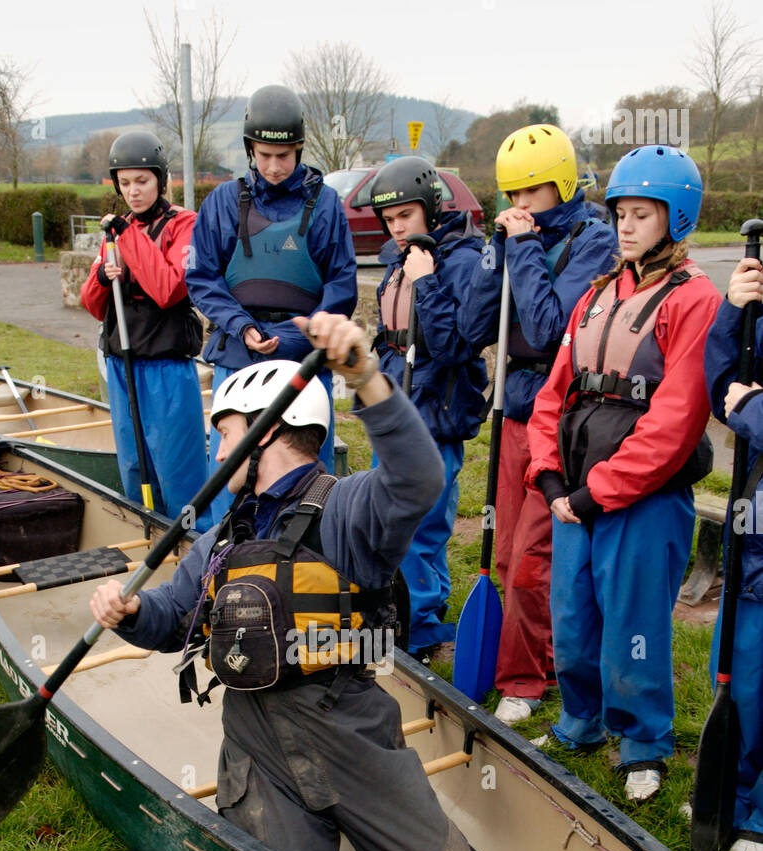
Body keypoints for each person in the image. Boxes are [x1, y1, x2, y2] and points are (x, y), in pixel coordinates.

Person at [89, 312, 490, 851]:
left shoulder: (349, 507)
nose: (219, 454)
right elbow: (172, 620)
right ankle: (297, 825)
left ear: (268, 432)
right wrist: (133, 609)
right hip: (257, 735)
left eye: (226, 436)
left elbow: (418, 480)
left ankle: (369, 827)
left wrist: (366, 376)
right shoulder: (224, 534)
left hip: (347, 727)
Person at [525, 145, 722, 801]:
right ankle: (581, 721)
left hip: (642, 501)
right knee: (574, 622)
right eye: (621, 214)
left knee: (633, 629)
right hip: (577, 496)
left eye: (644, 214)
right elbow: (554, 392)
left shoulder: (692, 300)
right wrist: (551, 479)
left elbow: (675, 419)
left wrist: (596, 493)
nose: (628, 226)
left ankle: (642, 742)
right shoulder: (597, 294)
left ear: (677, 218)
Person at [473, 124, 618, 724]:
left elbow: (549, 324)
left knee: (534, 558)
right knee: (508, 556)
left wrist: (525, 250)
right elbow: (481, 325)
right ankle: (551, 653)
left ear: (561, 184)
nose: (519, 207)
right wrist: (495, 257)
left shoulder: (594, 239)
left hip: (559, 414)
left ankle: (524, 682)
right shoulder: (510, 237)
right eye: (511, 195)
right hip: (512, 405)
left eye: (531, 192)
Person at [185, 84, 357, 516]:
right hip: (238, 354)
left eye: (284, 156)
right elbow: (202, 277)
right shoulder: (223, 202)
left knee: (302, 484)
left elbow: (342, 285)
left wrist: (292, 338)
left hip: (301, 359)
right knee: (230, 480)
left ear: (299, 149)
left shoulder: (327, 205)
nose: (275, 166)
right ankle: (222, 562)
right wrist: (244, 327)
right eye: (264, 155)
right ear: (250, 151)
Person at [368, 156, 489, 660]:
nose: (397, 228)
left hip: (435, 414)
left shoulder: (460, 259)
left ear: (431, 208)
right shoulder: (400, 259)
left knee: (424, 523)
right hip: (396, 407)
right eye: (389, 219)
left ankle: (421, 623)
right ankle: (395, 608)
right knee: (390, 519)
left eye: (405, 216)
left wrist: (426, 281)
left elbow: (455, 345)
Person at [80, 131, 208, 520]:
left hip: (166, 365)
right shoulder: (115, 233)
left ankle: (192, 540)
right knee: (134, 463)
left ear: (160, 180)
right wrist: (103, 275)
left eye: (142, 181)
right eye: (125, 183)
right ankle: (143, 528)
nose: (133, 192)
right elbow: (92, 303)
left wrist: (127, 238)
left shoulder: (184, 224)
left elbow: (169, 289)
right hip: (123, 362)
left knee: (177, 465)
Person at [703, 251, 763, 851]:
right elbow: (723, 388)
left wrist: (753, 410)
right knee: (744, 673)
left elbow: (743, 405)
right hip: (754, 533)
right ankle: (735, 791)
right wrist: (733, 313)